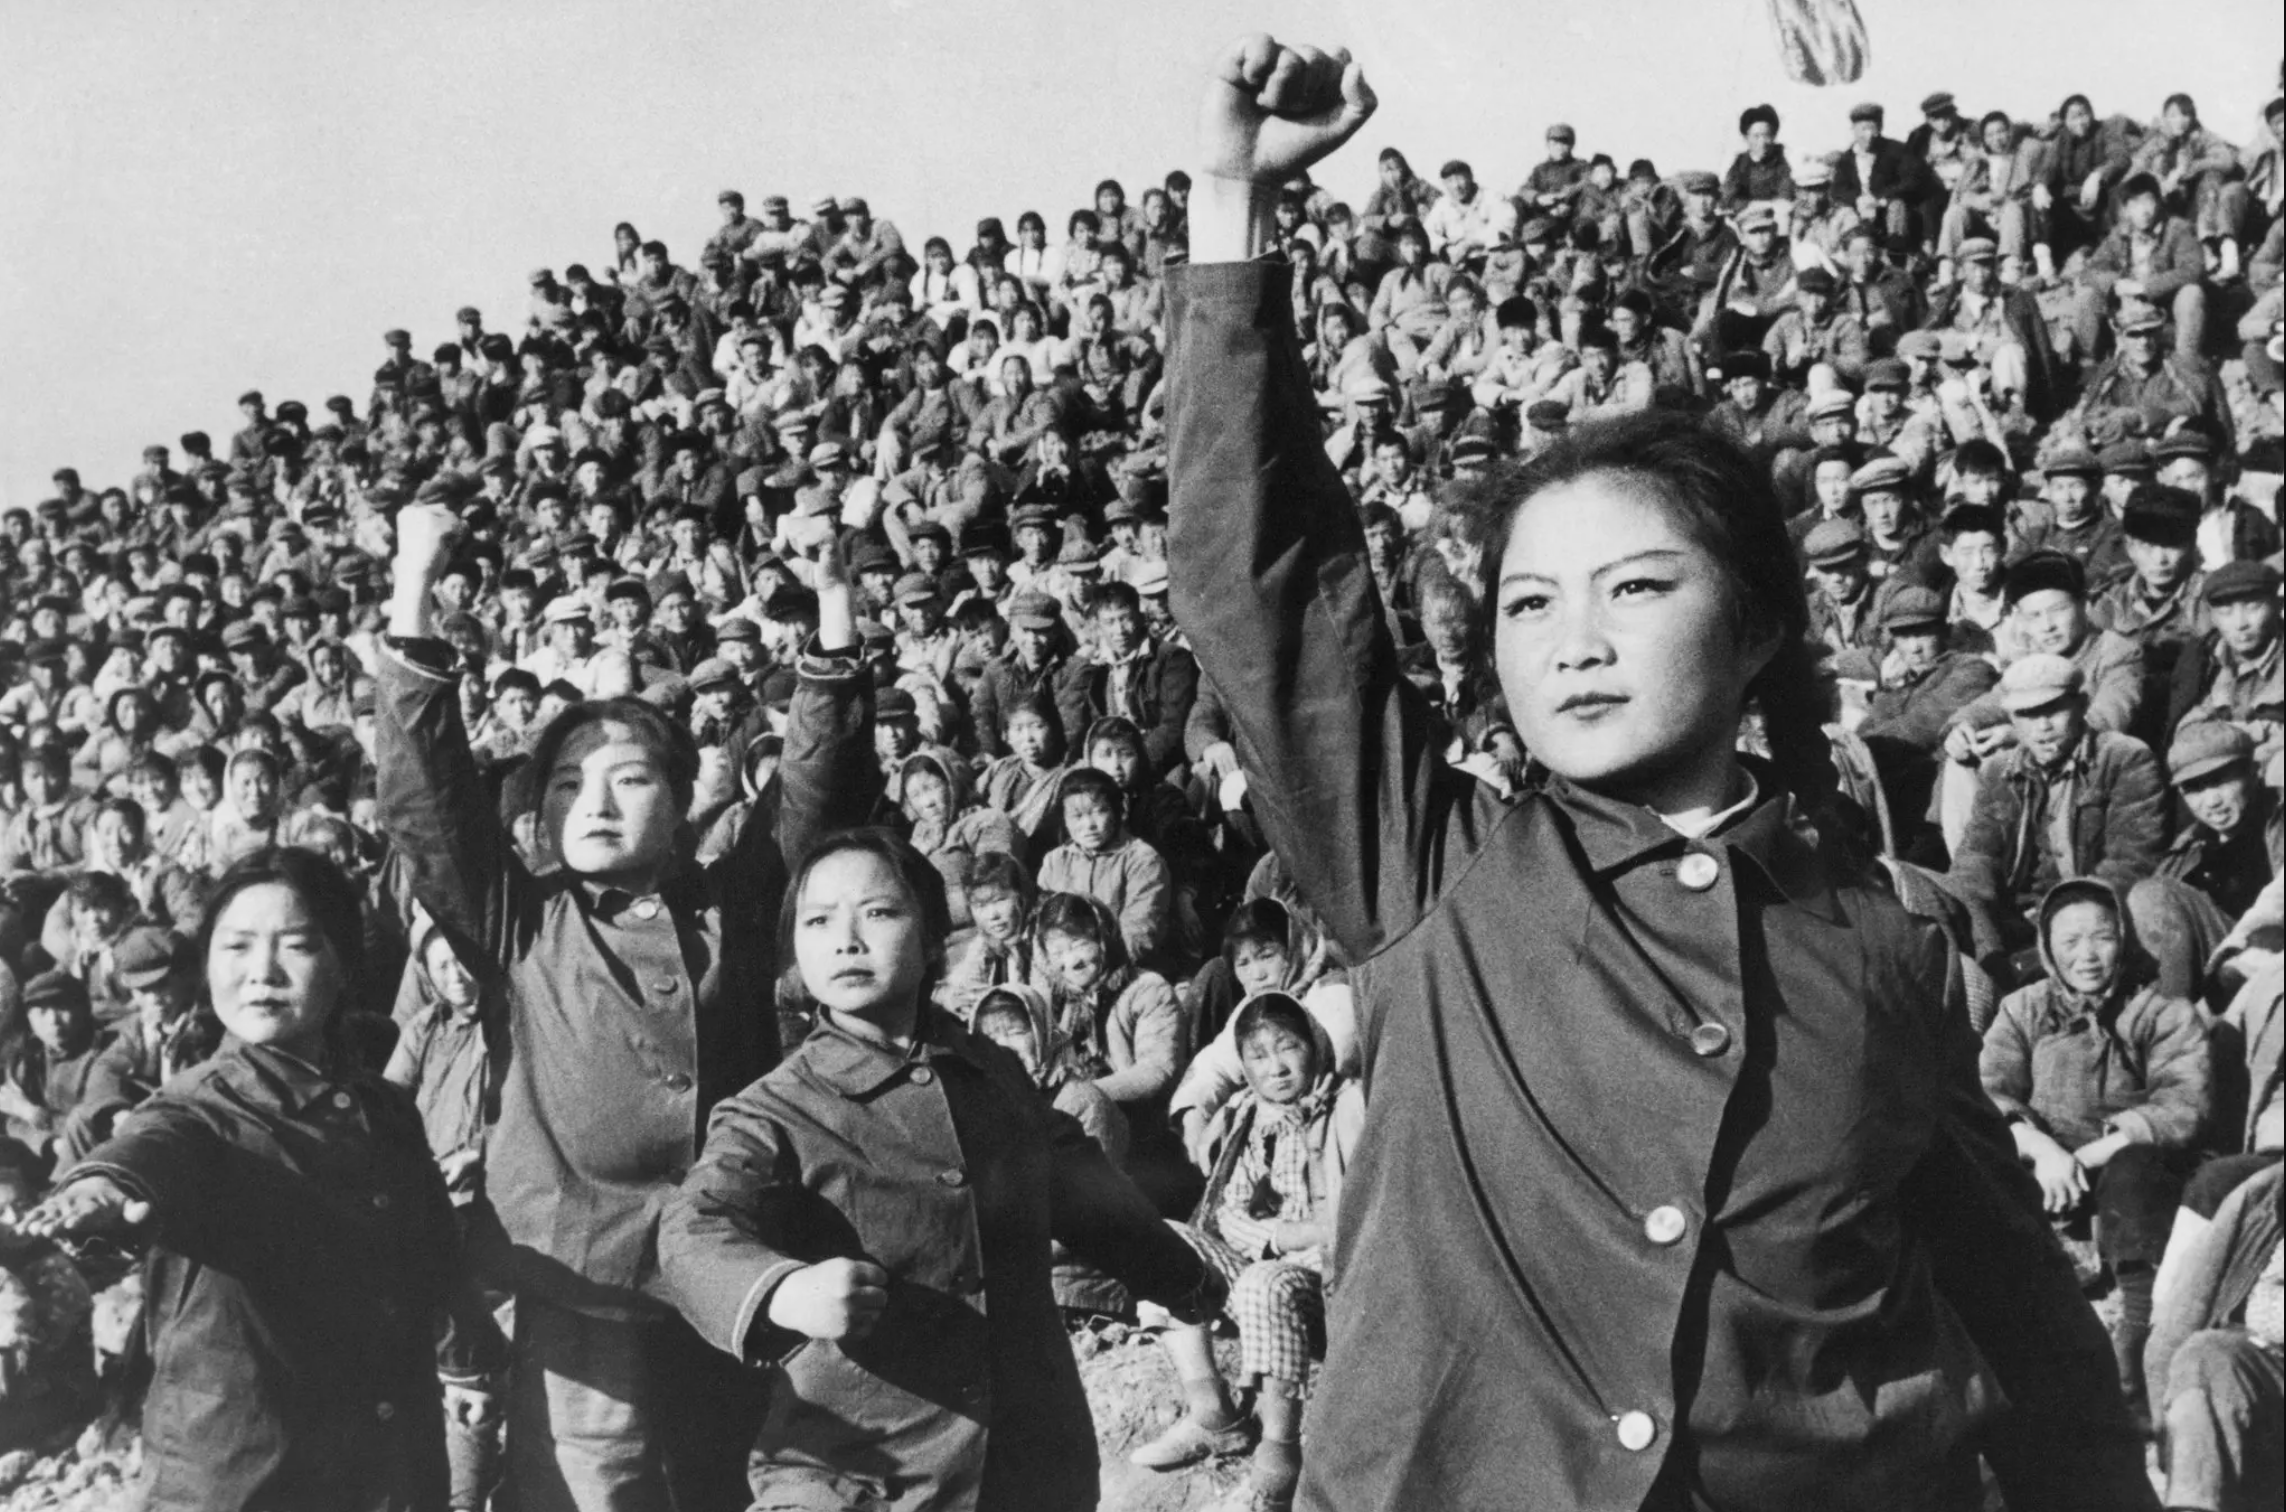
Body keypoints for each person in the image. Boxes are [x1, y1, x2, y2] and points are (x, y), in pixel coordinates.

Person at [1165, 35, 2150, 1509]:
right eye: (1528, 604)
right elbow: (1265, 590)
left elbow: (2021, 1321)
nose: (1573, 643)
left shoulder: (1885, 949)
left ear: (1752, 627)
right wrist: (1234, 206)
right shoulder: (1431, 876)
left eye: (1633, 590)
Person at [377, 503, 879, 1511]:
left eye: (626, 779)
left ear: (685, 794)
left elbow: (822, 793)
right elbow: (427, 794)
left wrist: (831, 600)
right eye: (564, 787)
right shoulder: (518, 915)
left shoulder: (732, 901)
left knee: (728, 1480)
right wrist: (415, 579)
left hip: (734, 1257)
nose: (591, 805)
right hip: (578, 1270)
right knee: (587, 1490)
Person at [656, 828, 1224, 1512]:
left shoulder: (996, 1073)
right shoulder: (774, 1109)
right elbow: (692, 1229)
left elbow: (1085, 1189)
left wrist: (1184, 1279)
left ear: (932, 940)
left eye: (878, 912)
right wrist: (782, 1292)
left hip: (1032, 1459)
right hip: (861, 1471)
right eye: (818, 920)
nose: (846, 939)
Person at [14, 848, 504, 1511]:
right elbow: (148, 1148)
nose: (261, 973)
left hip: (385, 1471)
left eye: (296, 945)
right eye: (236, 946)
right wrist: (99, 1188)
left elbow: (433, 1255)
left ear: (342, 964)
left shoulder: (385, 1112)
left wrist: (465, 1360)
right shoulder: (197, 1109)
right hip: (242, 1481)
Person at [1980, 877, 2215, 1423]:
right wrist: (2039, 1147)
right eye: (2070, 941)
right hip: (2043, 1167)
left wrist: (2088, 1157)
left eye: (2102, 937)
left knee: (2136, 1171)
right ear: (2048, 948)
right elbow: (1988, 1089)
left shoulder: (2161, 1012)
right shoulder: (2024, 1009)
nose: (2087, 954)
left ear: (2123, 940)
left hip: (2126, 1170)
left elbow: (2185, 1103)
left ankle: (2133, 1342)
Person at [1130, 992, 1364, 1510]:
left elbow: (1358, 1214)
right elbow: (1228, 1213)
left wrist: (1284, 1236)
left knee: (1265, 1281)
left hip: (1329, 1282)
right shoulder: (1245, 1115)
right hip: (1264, 1265)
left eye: (1289, 1047)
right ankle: (1214, 1415)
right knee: (1161, 1241)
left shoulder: (1349, 1104)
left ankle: (1278, 1460)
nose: (1276, 1067)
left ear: (1316, 1046)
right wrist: (1273, 1235)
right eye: (1258, 1056)